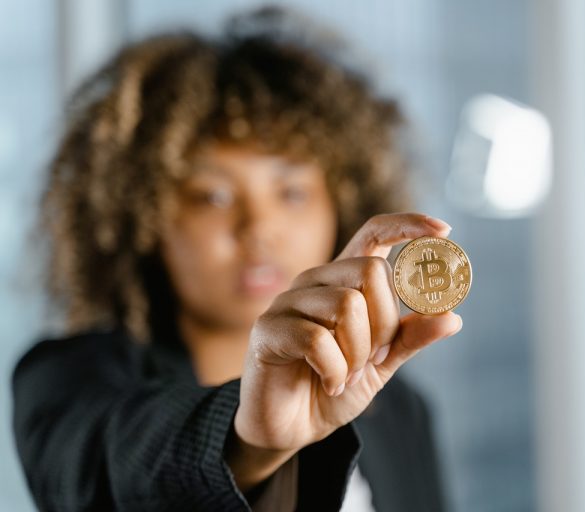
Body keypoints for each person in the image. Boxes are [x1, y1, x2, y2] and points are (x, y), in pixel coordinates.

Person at [12, 6, 461, 512]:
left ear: (341, 205)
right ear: (142, 219)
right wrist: (250, 441)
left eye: (292, 192)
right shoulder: (68, 379)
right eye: (213, 196)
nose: (259, 228)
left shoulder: (398, 409)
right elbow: (120, 463)